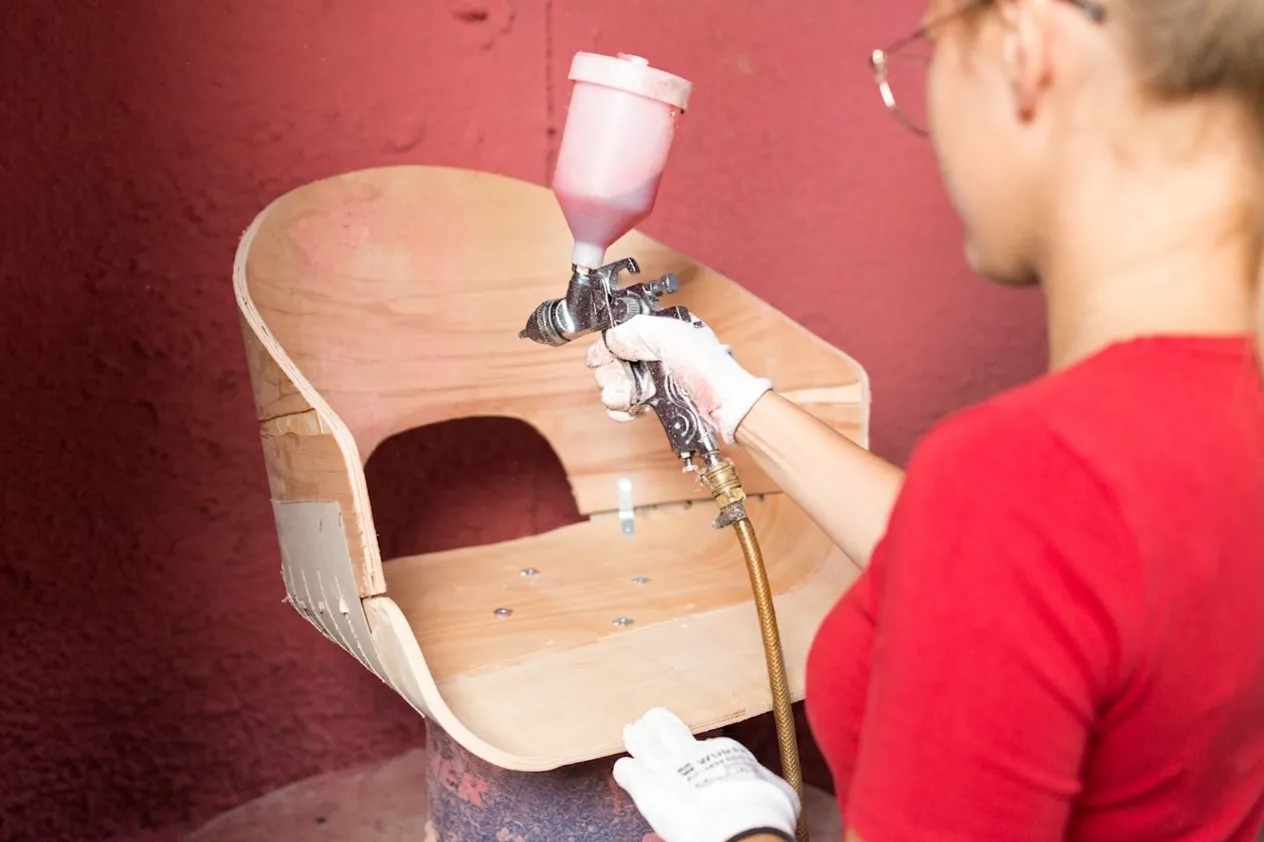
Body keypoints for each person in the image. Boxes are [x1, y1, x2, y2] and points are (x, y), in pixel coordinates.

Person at [585, 0, 1264, 839]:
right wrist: (732, 398)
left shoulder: (1017, 483)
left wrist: (745, 833)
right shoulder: (1199, 420)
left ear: (1022, 48)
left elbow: (1022, 538)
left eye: (928, 51)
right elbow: (1048, 572)